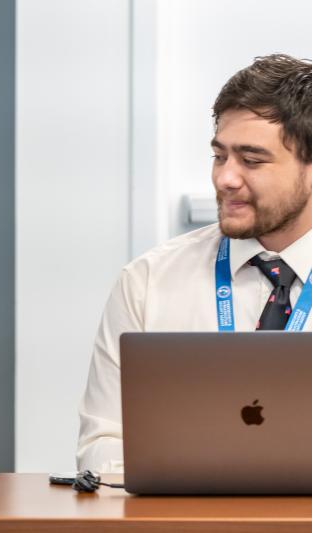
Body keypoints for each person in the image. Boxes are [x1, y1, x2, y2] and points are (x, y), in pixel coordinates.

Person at [78, 54, 312, 473]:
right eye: (219, 156)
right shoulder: (148, 281)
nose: (225, 178)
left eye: (252, 160)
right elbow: (101, 445)